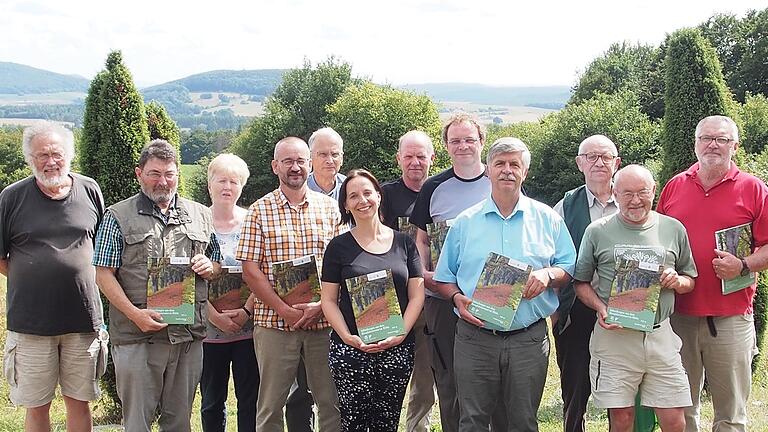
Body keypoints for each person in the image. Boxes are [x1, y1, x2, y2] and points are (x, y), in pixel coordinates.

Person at [433, 137, 576, 431]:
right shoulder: (465, 222)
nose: (507, 170)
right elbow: (445, 278)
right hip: (475, 338)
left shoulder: (547, 218)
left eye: (515, 164)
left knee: (523, 421)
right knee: (472, 421)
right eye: (500, 163)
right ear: (488, 170)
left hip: (528, 339)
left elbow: (569, 267)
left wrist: (548, 275)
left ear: (525, 171)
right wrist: (455, 298)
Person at [93, 139, 222, 432]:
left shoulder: (201, 215)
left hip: (187, 337)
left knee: (179, 422)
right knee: (137, 423)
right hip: (138, 338)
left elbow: (215, 266)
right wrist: (135, 315)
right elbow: (103, 275)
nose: (163, 181)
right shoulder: (117, 217)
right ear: (139, 174)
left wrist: (208, 267)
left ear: (178, 174)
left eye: (169, 174)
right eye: (154, 173)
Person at [657, 115, 768, 432]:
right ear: (695, 144)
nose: (713, 145)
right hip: (679, 315)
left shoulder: (753, 189)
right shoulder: (675, 186)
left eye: (721, 139)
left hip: (730, 317)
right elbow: (657, 238)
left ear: (734, 146)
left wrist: (743, 264)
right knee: (681, 408)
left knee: (731, 413)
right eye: (706, 138)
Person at [0, 121, 106, 432]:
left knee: (79, 401)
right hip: (31, 323)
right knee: (37, 406)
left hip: (83, 319)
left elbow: (102, 250)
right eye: (42, 155)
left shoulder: (90, 190)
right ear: (29, 159)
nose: (50, 161)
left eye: (57, 153)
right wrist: (33, 278)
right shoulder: (12, 197)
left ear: (69, 155)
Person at [574, 164, 697, 432]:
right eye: (627, 193)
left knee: (675, 418)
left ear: (654, 190)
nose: (635, 200)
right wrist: (600, 307)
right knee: (622, 418)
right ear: (614, 193)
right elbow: (580, 283)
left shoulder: (673, 228)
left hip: (660, 335)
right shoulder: (597, 231)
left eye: (642, 192)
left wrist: (677, 280)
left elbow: (690, 280)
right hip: (615, 336)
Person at [236, 136, 343, 432]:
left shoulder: (329, 209)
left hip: (323, 323)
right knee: (271, 405)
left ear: (309, 165)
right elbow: (250, 269)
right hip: (274, 325)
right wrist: (284, 310)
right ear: (275, 166)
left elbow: (343, 265)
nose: (295, 168)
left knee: (331, 402)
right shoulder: (259, 210)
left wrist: (322, 306)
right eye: (288, 162)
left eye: (300, 161)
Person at [321, 169, 425, 432]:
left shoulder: (404, 243)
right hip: (351, 350)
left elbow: (417, 294)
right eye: (353, 196)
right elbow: (329, 301)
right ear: (345, 204)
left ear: (378, 196)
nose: (362, 200)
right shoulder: (338, 247)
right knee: (353, 423)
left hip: (396, 349)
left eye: (367, 193)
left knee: (387, 423)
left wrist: (401, 333)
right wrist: (346, 336)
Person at [409, 113, 491, 432]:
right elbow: (421, 240)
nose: (463, 146)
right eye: (455, 140)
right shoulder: (434, 187)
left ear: (481, 142)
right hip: (441, 301)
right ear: (446, 146)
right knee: (448, 379)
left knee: (490, 375)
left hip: (486, 297)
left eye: (469, 139)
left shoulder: (497, 180)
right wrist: (426, 274)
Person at [552, 134, 620, 432]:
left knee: (621, 389)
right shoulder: (564, 207)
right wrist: (556, 313)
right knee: (575, 389)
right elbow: (551, 259)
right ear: (580, 163)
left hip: (621, 308)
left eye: (606, 157)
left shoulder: (631, 199)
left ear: (617, 163)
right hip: (576, 310)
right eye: (591, 156)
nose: (599, 163)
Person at [381, 130, 437, 432]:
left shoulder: (440, 190)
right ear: (399, 159)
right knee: (388, 373)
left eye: (421, 156)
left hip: (433, 298)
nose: (415, 162)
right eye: (409, 156)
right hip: (392, 299)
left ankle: (418, 428)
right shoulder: (384, 196)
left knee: (425, 378)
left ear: (432, 158)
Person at [201, 154, 258, 432]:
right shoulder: (196, 222)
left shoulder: (252, 221)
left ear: (242, 186)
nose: (227, 187)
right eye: (221, 180)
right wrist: (213, 316)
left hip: (249, 329)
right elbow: (187, 278)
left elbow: (264, 272)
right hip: (208, 332)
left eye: (234, 181)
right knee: (212, 401)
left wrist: (247, 310)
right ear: (209, 184)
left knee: (250, 400)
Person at [307, 127, 346, 200]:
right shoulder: (299, 189)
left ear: (341, 158)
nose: (330, 161)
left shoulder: (349, 188)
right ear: (310, 157)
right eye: (323, 154)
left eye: (334, 154)